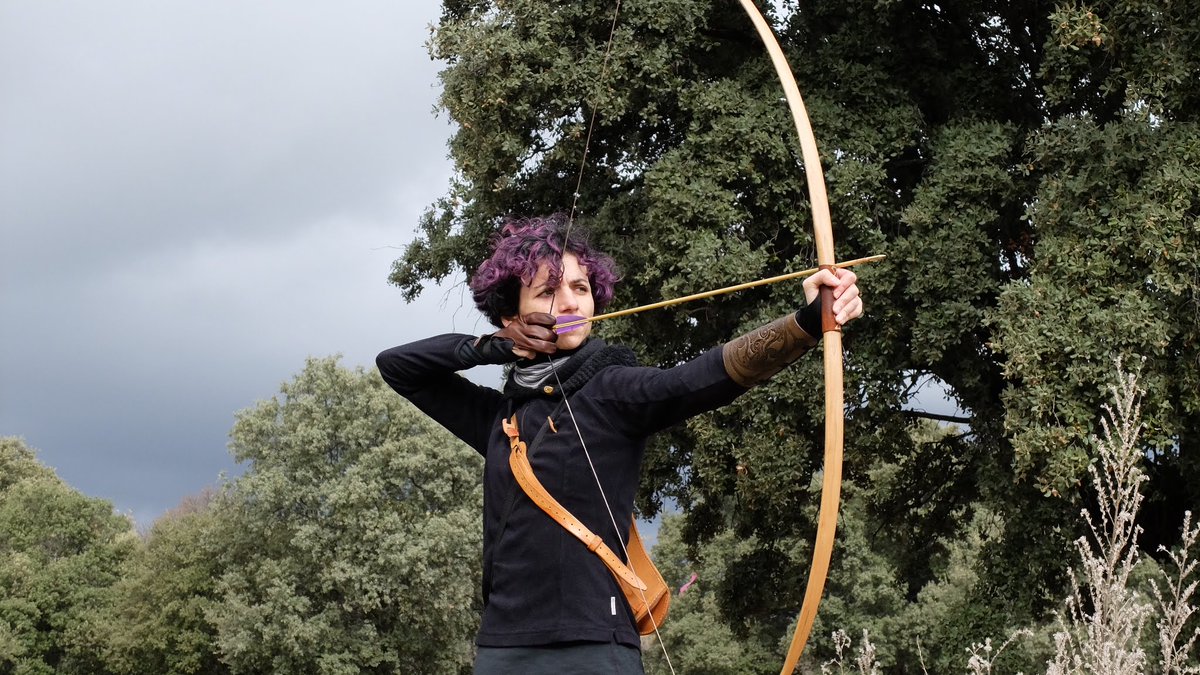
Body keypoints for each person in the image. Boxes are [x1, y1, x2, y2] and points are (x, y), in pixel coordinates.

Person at [377, 214, 862, 674]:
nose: (569, 303)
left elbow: (701, 378)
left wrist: (805, 322)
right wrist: (494, 346)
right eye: (548, 291)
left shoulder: (612, 389)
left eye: (580, 288)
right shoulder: (499, 416)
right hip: (503, 648)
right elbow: (397, 365)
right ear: (512, 313)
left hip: (593, 647)